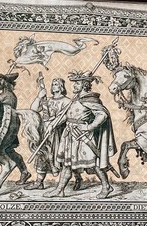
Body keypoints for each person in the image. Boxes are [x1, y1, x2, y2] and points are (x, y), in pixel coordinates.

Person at [50, 70, 117, 199]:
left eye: (77, 84)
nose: (74, 86)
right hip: (70, 135)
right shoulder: (75, 99)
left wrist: (89, 127)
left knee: (94, 164)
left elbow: (102, 115)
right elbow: (67, 116)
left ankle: (106, 187)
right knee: (67, 164)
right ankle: (59, 190)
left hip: (83, 137)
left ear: (84, 85)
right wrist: (54, 124)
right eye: (74, 83)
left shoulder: (90, 99)